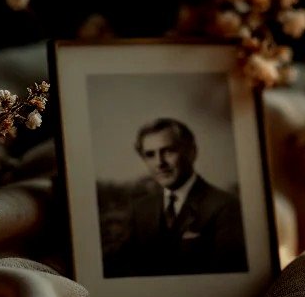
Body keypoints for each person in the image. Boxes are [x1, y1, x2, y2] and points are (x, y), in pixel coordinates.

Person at [99, 118, 248, 277]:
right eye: (150, 155)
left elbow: (227, 274)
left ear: (192, 152)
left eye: (168, 151)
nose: (159, 163)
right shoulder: (141, 209)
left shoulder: (225, 205)